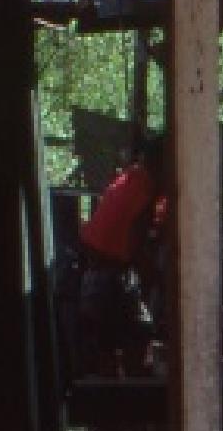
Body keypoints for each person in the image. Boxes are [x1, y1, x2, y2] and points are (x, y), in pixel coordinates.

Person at [67, 131, 168, 378]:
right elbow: (135, 247)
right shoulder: (145, 191)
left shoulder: (130, 177)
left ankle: (117, 387)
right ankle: (133, 395)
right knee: (140, 333)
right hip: (107, 276)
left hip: (93, 269)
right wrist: (162, 281)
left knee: (110, 344)